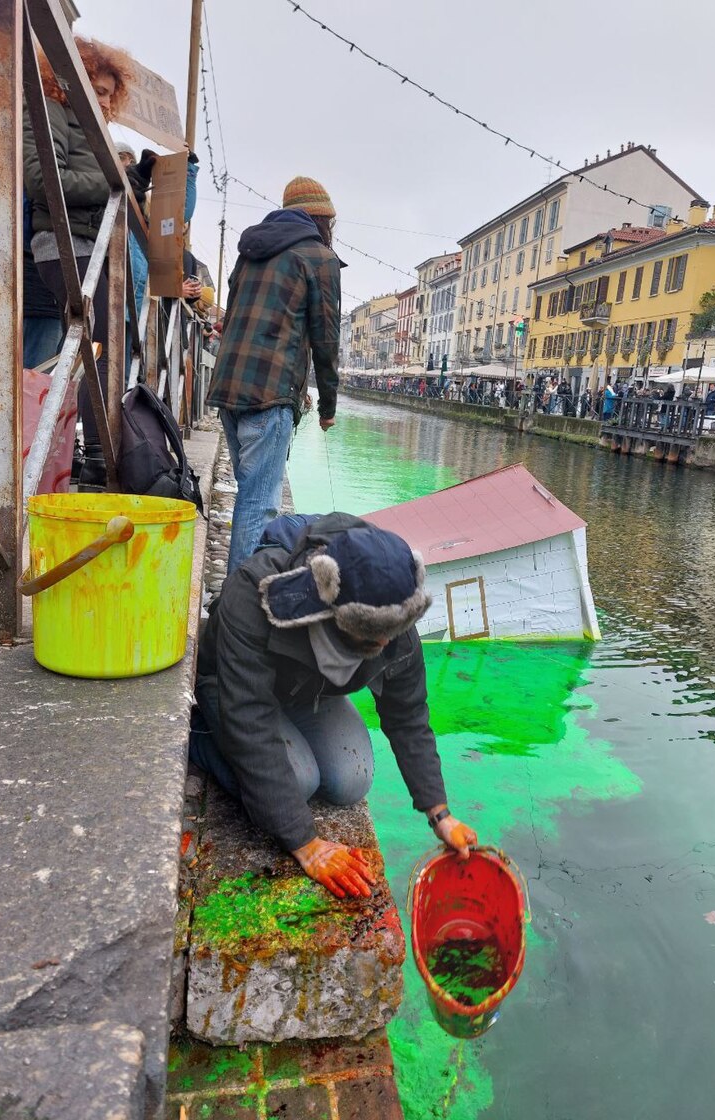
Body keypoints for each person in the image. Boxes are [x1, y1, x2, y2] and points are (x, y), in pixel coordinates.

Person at [190, 512, 478, 898]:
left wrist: (439, 814)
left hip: (306, 690)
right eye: (369, 638)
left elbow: (408, 715)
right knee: (299, 781)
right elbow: (250, 721)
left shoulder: (393, 613)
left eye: (388, 637)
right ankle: (200, 736)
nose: (382, 647)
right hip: (232, 688)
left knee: (351, 779)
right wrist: (305, 843)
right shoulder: (256, 592)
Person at [23, 37, 144, 491]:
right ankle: (94, 455)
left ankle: (78, 450)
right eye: (95, 87)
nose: (104, 99)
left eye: (110, 92)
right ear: (67, 80)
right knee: (96, 345)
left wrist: (132, 181)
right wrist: (116, 182)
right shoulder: (52, 112)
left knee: (92, 347)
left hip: (89, 247)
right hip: (63, 245)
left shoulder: (90, 130)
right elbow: (43, 178)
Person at [207, 176, 341, 573]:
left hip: (228, 391)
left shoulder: (250, 252)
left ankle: (235, 599)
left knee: (250, 496)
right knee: (259, 504)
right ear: (322, 219)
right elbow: (326, 340)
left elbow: (232, 320)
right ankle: (237, 607)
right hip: (269, 397)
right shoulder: (319, 257)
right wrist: (328, 408)